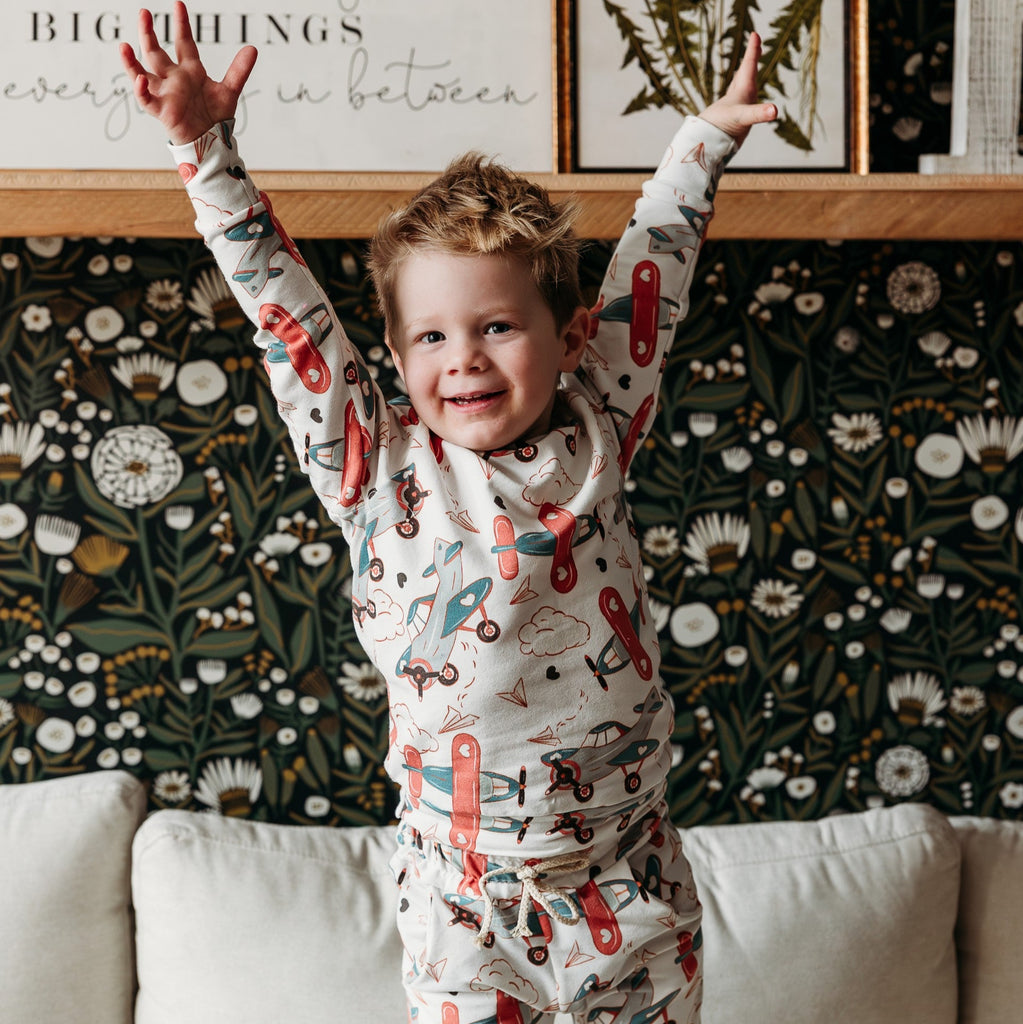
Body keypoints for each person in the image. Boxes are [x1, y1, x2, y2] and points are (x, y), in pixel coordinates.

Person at [120, 4, 775, 1021]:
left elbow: (657, 267)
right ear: (392, 352)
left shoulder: (601, 416)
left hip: (627, 873)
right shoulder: (376, 468)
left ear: (567, 338)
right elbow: (284, 314)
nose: (461, 357)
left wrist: (702, 144)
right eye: (429, 336)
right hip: (466, 896)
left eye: (497, 325)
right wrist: (205, 152)